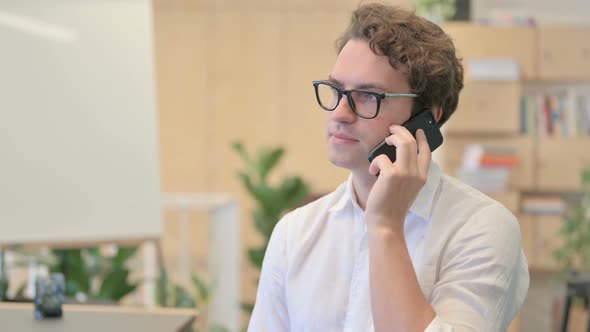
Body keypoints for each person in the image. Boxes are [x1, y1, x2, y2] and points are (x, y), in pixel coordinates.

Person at [248, 3, 529, 332]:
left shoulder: (482, 228)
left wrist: (385, 227)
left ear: (427, 119)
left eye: (368, 96)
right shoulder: (295, 232)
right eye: (336, 90)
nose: (340, 112)